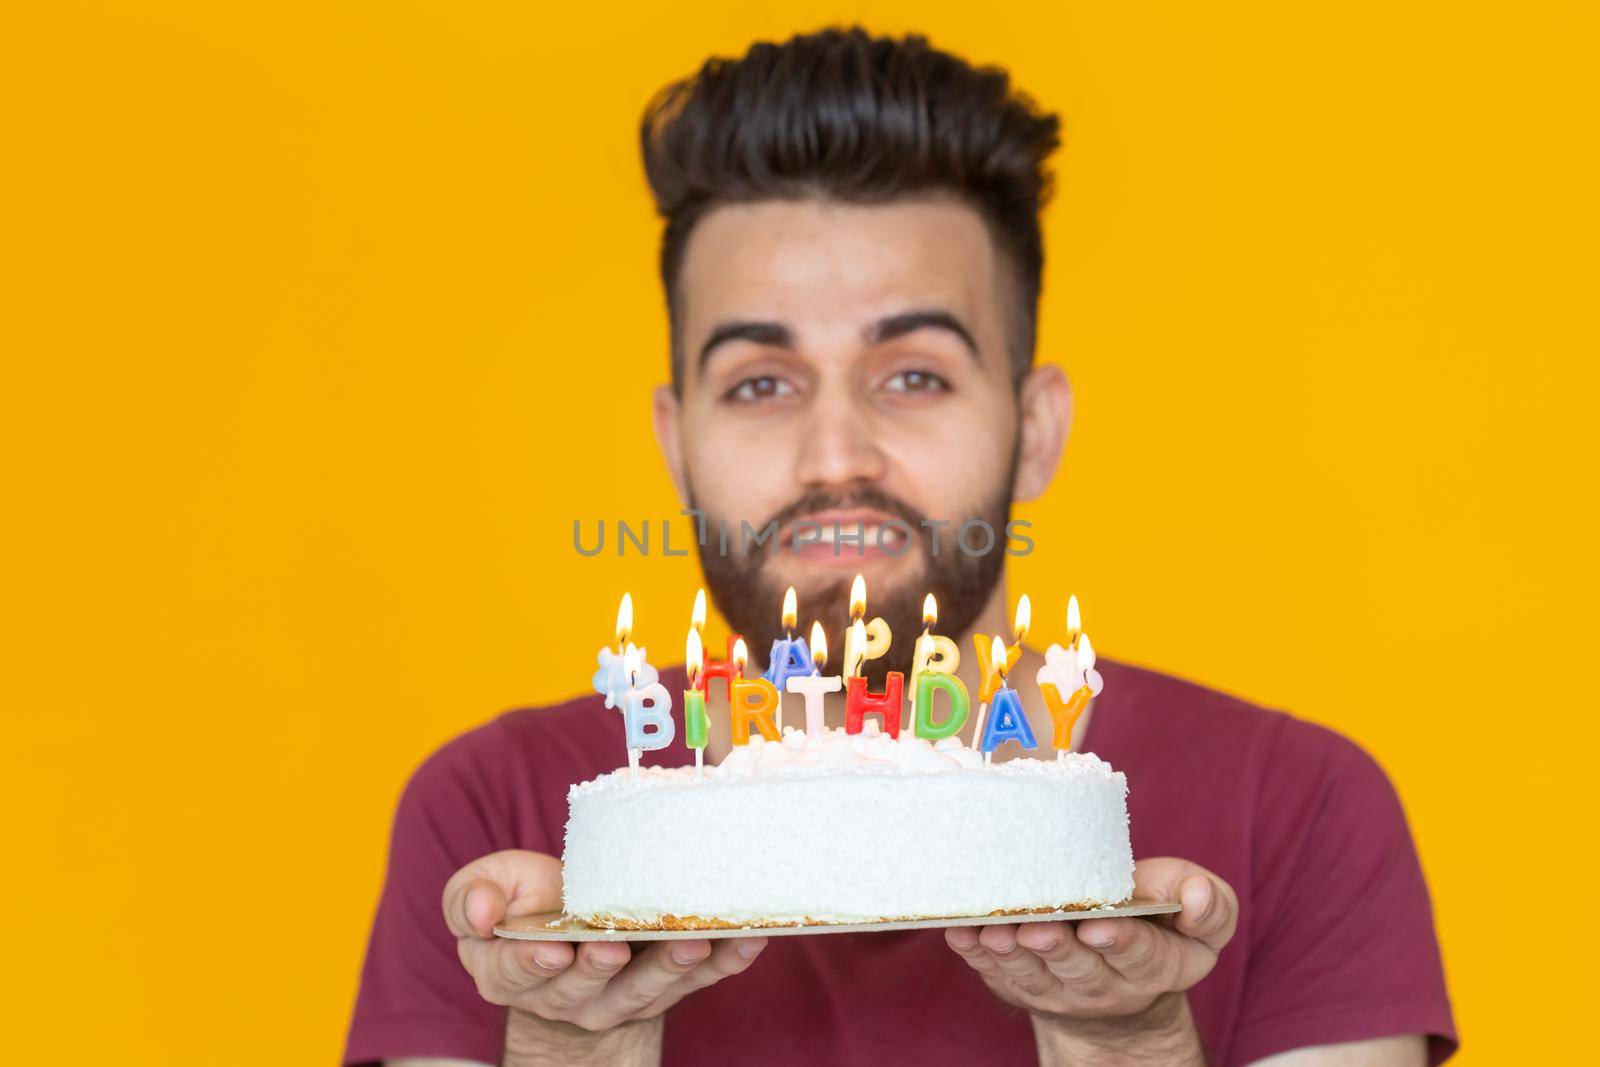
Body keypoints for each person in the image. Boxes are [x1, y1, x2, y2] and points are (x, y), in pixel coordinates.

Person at [344, 27, 1456, 1067]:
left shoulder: (1298, 808)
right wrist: (568, 1044)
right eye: (760, 382)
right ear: (677, 443)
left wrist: (1125, 1038)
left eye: (914, 374)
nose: (837, 452)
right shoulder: (499, 827)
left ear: (1037, 430)